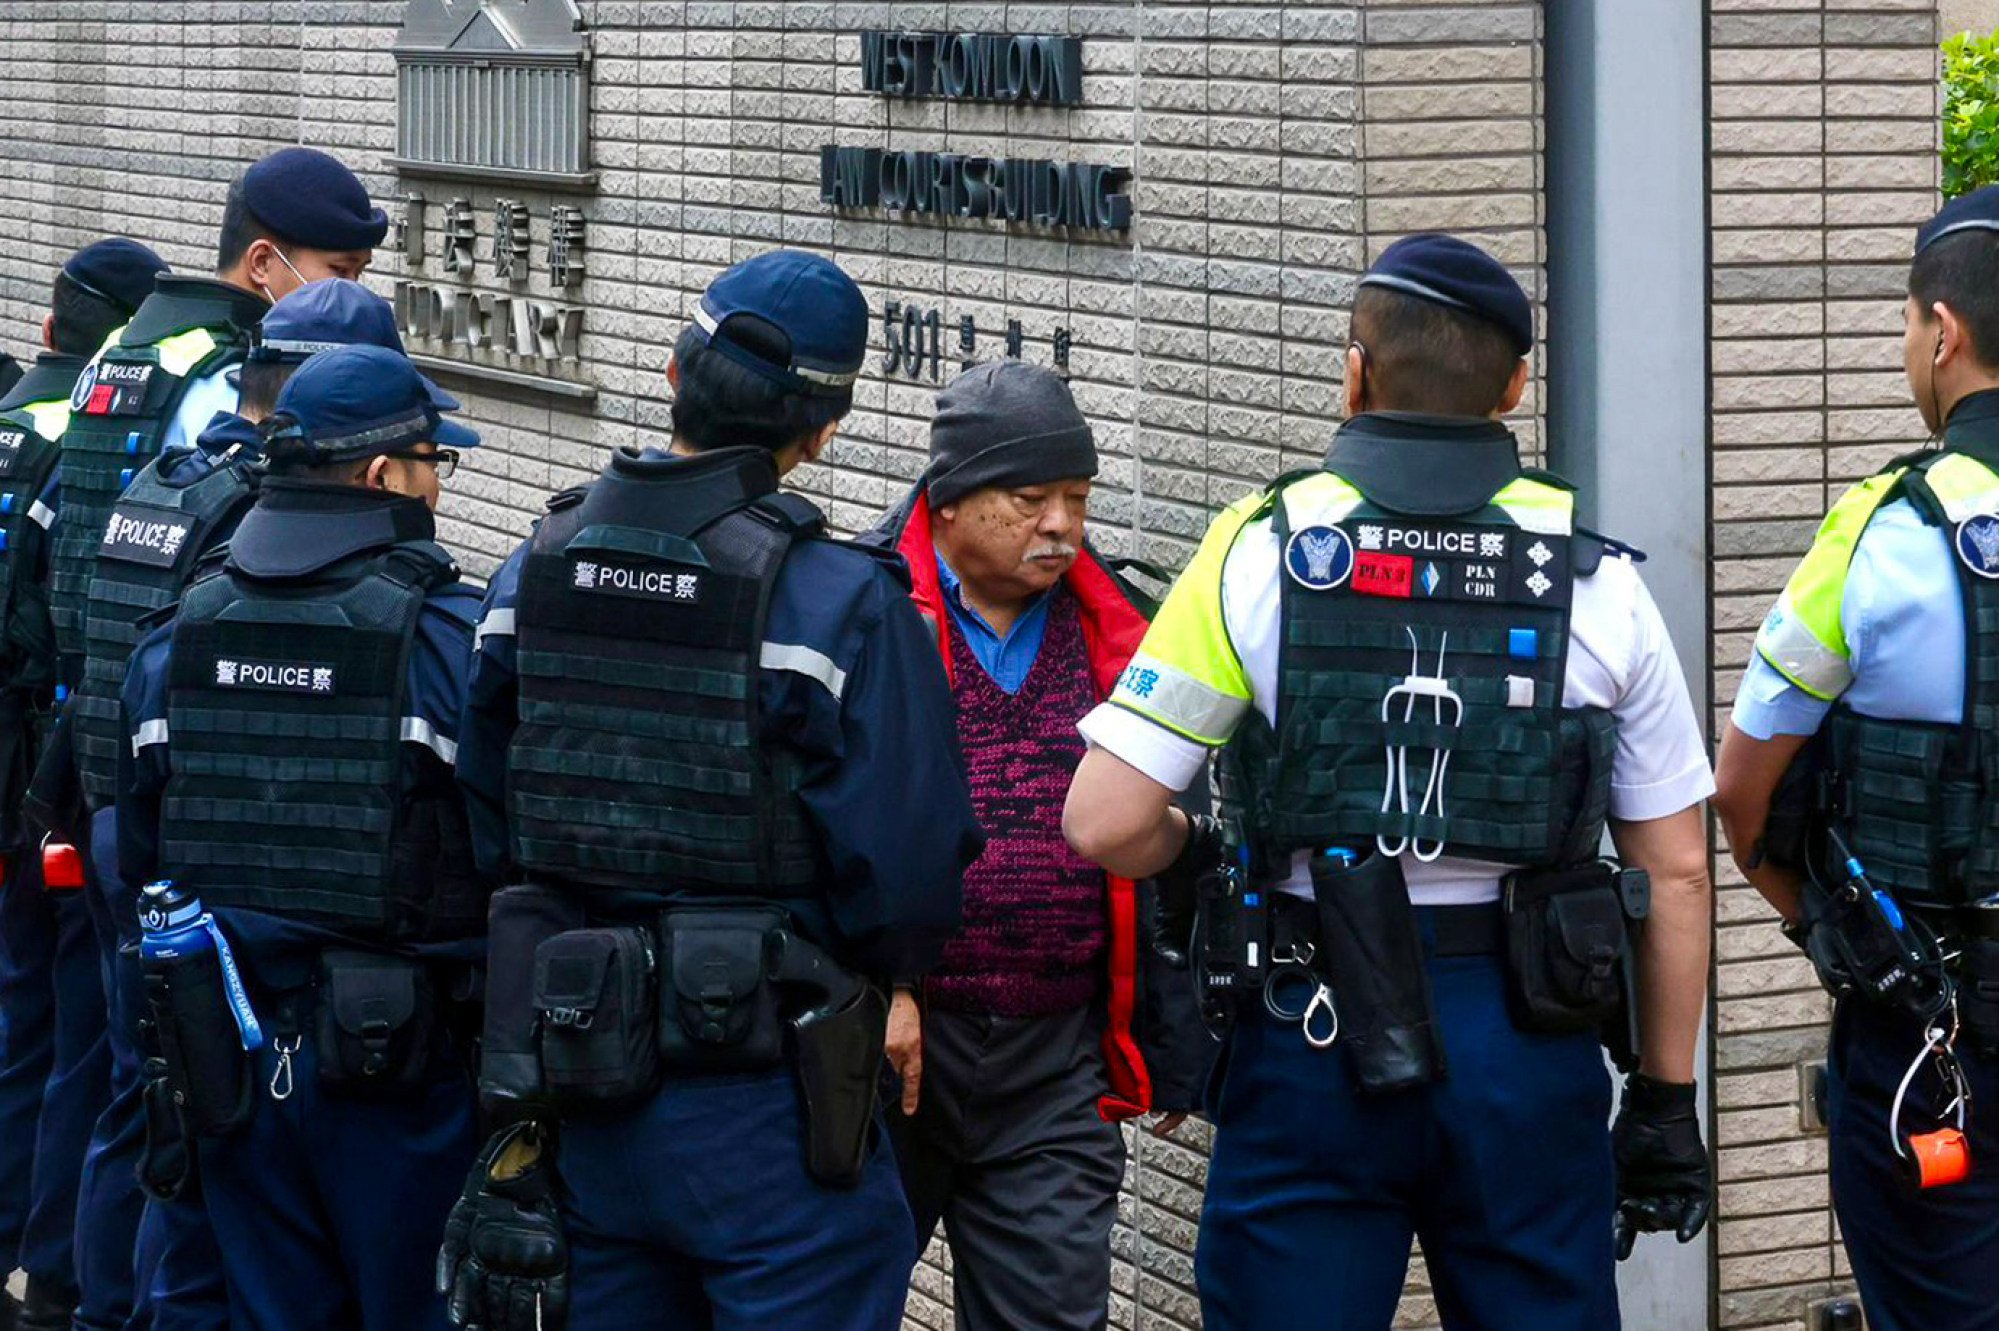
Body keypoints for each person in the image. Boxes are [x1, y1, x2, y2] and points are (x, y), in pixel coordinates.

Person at [1063, 233, 1717, 1331]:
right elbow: (1680, 868)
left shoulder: (1256, 551)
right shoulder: (1597, 582)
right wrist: (1662, 1098)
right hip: (1527, 1038)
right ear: (1512, 385)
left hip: (1309, 1027)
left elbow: (1106, 817)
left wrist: (1194, 854)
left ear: (1353, 372)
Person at [448, 249, 982, 1331]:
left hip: (577, 1082)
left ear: (670, 370)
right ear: (821, 431)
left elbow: (485, 801)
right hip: (770, 1097)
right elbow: (911, 871)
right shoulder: (838, 600)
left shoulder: (532, 565)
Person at [115, 343, 486, 1331]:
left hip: (226, 1069)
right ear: (380, 475)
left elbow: (140, 856)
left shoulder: (174, 640)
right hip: (403, 1083)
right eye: (431, 458)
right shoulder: (449, 642)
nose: (438, 481)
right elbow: (507, 859)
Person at [71, 281, 412, 1331]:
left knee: (156, 1143)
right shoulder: (267, 531)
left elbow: (111, 677)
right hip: (311, 994)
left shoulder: (176, 483)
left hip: (157, 891)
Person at [863, 360, 1205, 1331]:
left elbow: (1176, 840)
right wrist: (884, 983)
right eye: (1031, 498)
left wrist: (1173, 1034)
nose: (1061, 523)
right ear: (952, 499)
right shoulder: (865, 609)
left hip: (1055, 1065)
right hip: (887, 1050)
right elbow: (814, 826)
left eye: (1077, 498)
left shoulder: (1126, 631)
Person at [1714, 186, 1999, 1331]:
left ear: (1942, 330)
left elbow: (1742, 796)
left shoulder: (1883, 526)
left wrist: (1840, 932)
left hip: (1932, 1026)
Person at [46, 145, 385, 700]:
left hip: (92, 669)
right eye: (338, 273)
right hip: (172, 680)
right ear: (261, 263)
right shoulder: (234, 376)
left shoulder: (128, 345)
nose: (349, 295)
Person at [0, 238, 166, 1331]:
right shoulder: (82, 436)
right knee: (74, 1033)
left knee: (22, 1017)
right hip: (48, 765)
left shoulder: (15, 414)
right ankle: (48, 1265)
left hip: (24, 765)